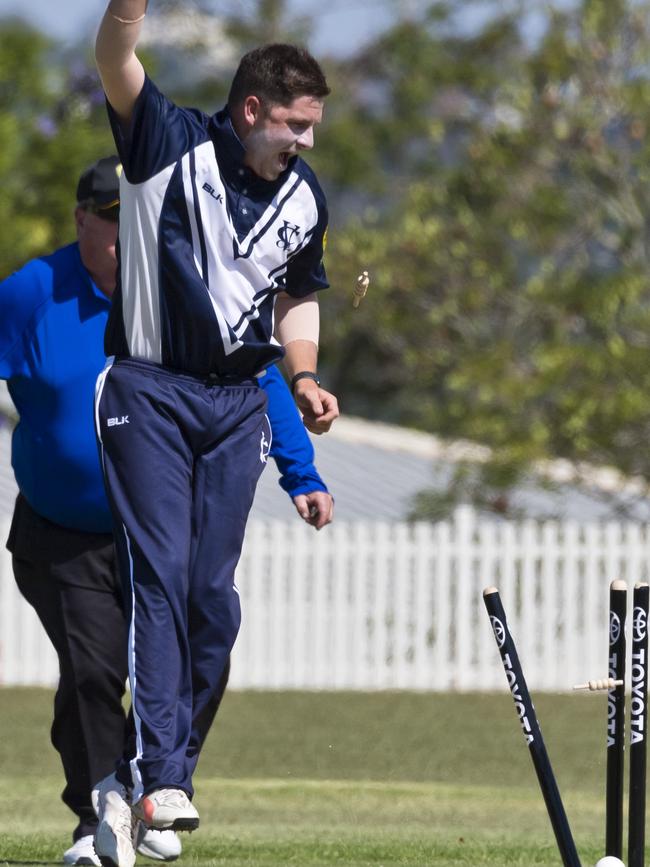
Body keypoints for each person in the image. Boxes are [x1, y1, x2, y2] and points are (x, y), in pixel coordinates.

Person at [0, 156, 334, 866]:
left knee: (196, 651)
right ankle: (99, 815)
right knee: (94, 671)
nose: (128, 237)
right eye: (114, 221)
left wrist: (299, 469)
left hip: (159, 528)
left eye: (141, 221)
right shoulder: (32, 291)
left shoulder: (185, 283)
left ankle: (145, 788)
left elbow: (253, 370)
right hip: (67, 534)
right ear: (82, 219)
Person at [92, 5, 338, 864]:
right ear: (250, 111)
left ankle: (146, 782)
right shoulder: (166, 139)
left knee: (212, 602)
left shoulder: (306, 196)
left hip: (238, 404)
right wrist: (128, 10)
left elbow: (297, 292)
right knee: (159, 577)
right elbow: (114, 57)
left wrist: (302, 375)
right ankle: (163, 775)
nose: (305, 141)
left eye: (312, 126)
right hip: (150, 389)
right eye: (295, 125)